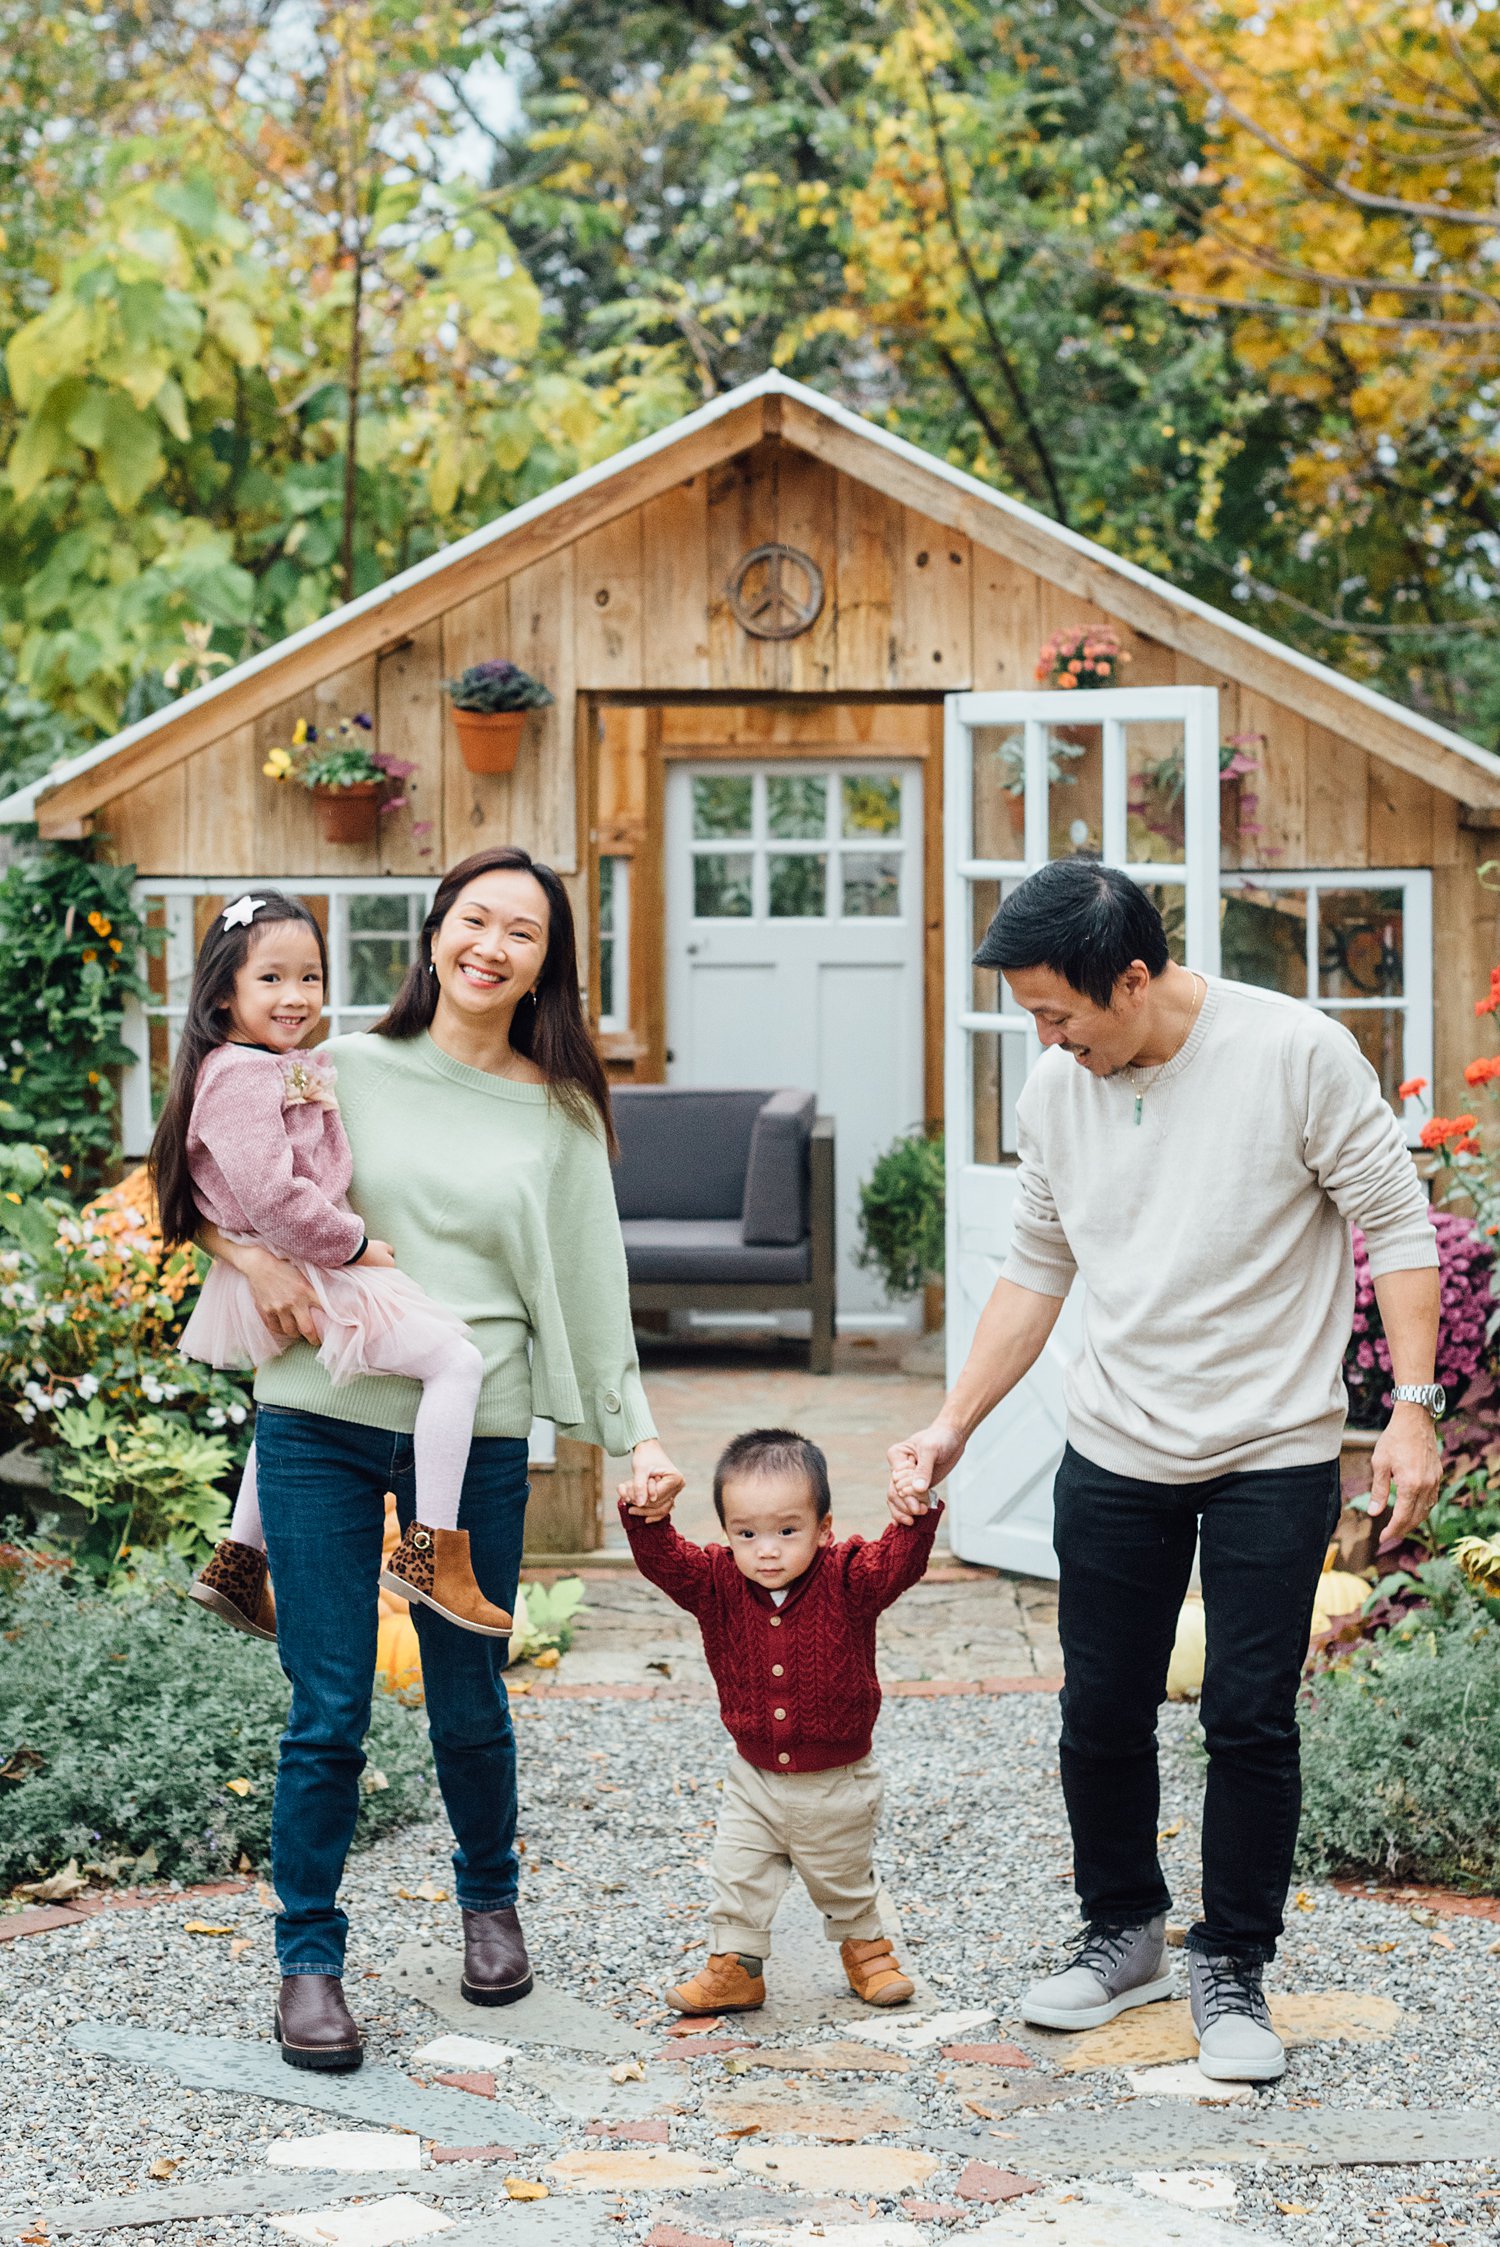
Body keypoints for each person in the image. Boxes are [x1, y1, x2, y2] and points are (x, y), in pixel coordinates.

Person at [888, 861, 1440, 2084]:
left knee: (1248, 1717)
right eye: (1032, 1012)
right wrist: (954, 1423)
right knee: (1100, 1709)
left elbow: (1396, 1228)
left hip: (1271, 1450)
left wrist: (1409, 1410)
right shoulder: (1056, 1088)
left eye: (1058, 1011)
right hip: (1117, 1446)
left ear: (1132, 980)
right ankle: (1124, 1929)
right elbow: (1037, 1268)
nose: (1045, 1035)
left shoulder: (1296, 1054)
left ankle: (1233, 1962)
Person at [200, 846, 683, 2072]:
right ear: (433, 936)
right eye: (476, 919)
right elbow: (216, 1161)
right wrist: (246, 1260)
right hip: (318, 1414)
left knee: (468, 1691)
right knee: (330, 1709)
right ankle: (308, 1960)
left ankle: (490, 1902)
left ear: (542, 968)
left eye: (523, 932)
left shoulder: (560, 1111)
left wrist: (639, 1435)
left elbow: (593, 1281)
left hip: (471, 1436)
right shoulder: (339, 1065)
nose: (493, 945)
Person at [152, 890, 508, 1642]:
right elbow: (276, 1195)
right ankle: (433, 1552)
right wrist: (352, 1245)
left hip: (282, 1261)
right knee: (457, 1361)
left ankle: (239, 1562)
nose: (296, 996)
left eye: (310, 977)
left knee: (291, 1408)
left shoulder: (251, 1065)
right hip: (311, 1259)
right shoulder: (243, 1076)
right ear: (224, 994)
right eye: (272, 979)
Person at [622, 1427, 939, 2015]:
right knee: (737, 1874)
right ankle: (735, 1968)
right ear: (727, 1534)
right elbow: (666, 1563)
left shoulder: (849, 1578)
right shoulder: (716, 1581)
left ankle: (866, 1952)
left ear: (824, 1529)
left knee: (842, 1877)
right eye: (747, 1534)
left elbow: (898, 1564)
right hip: (754, 1778)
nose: (767, 1550)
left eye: (787, 1531)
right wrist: (648, 1519)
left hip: (835, 1780)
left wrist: (913, 1519)